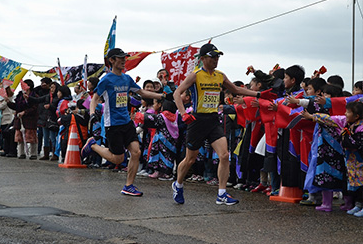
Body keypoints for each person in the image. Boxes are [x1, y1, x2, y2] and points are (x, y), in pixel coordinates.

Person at [172, 43, 273, 205]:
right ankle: (178, 184)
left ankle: (222, 193)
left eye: (217, 57)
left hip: (213, 120)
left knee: (224, 155)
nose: (216, 60)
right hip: (197, 121)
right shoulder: (195, 75)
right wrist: (183, 113)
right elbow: (176, 93)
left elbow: (236, 89)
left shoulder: (220, 75)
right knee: (190, 159)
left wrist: (259, 94)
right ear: (203, 59)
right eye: (212, 57)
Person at [81, 48, 164, 196]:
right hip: (112, 124)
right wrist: (93, 113)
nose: (123, 60)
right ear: (112, 60)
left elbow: (142, 92)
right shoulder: (106, 80)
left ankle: (129, 185)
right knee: (118, 158)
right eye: (120, 58)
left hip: (126, 121)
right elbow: (95, 98)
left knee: (136, 152)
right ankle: (93, 145)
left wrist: (161, 96)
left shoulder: (127, 79)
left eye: (124, 57)